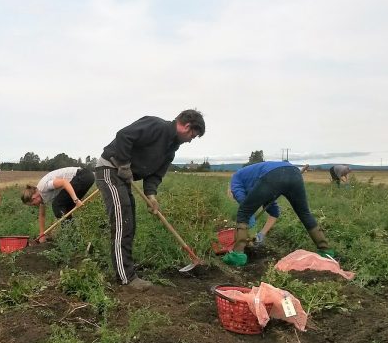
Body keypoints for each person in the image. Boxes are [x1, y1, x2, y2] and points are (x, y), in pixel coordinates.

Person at [95, 109, 205, 290]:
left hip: (123, 177)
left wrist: (151, 196)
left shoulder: (170, 149)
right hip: (110, 170)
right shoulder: (157, 125)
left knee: (129, 223)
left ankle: (127, 270)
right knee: (122, 222)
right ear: (187, 126)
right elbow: (124, 135)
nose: (191, 140)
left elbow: (155, 175)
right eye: (193, 135)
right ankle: (126, 278)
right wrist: (123, 164)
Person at [222, 161, 335, 267]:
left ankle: (237, 256)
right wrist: (262, 233)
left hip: (272, 175)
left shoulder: (235, 179)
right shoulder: (256, 184)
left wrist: (248, 218)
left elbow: (244, 205)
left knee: (244, 212)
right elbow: (274, 212)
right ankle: (326, 250)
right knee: (304, 213)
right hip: (294, 173)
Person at [21, 167, 95, 242]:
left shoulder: (43, 187)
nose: (35, 205)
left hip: (83, 176)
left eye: (33, 204)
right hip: (86, 178)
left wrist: (76, 200)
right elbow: (42, 215)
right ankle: (74, 238)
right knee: (65, 210)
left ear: (34, 198)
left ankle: (70, 235)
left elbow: (64, 182)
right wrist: (41, 234)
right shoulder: (41, 197)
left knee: (57, 205)